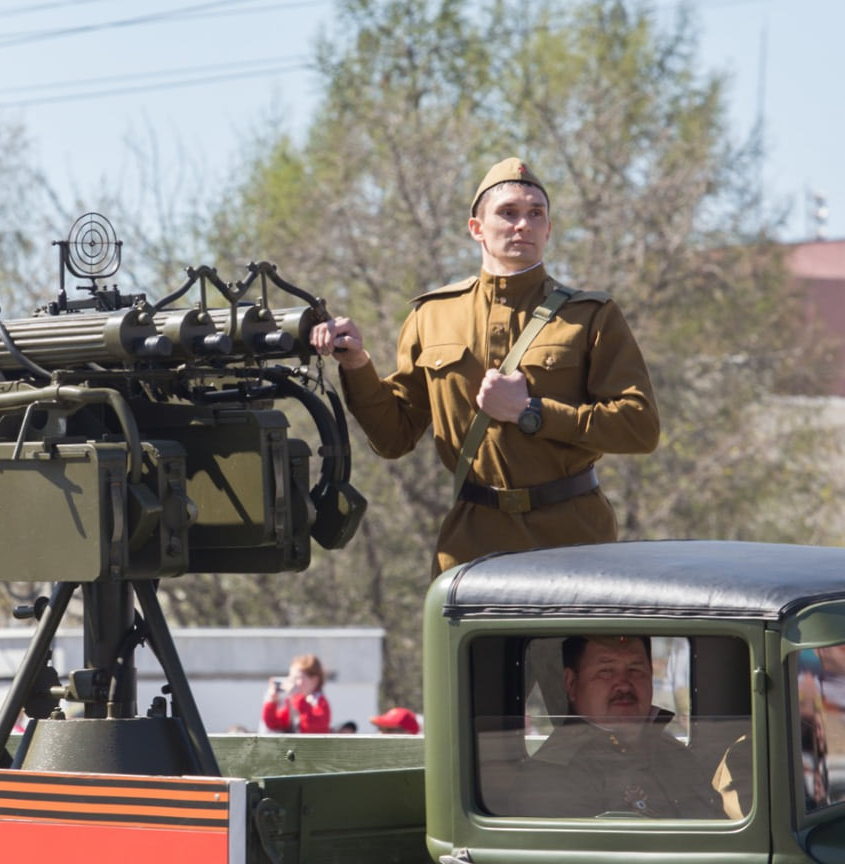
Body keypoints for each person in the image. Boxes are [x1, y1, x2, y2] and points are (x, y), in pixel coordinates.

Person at [310, 157, 659, 575]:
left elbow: (640, 426)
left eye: (535, 214)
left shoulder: (592, 315)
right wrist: (357, 364)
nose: (522, 225)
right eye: (508, 213)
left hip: (574, 534)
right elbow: (393, 437)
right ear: (476, 228)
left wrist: (531, 412)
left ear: (549, 229)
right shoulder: (432, 316)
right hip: (472, 540)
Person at [512, 636, 724, 818]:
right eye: (606, 671)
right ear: (572, 684)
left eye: (635, 670)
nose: (623, 684)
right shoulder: (553, 775)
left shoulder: (674, 753)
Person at [262, 654, 332, 733]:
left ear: (314, 680)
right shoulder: (294, 701)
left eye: (297, 678)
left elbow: (313, 728)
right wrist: (272, 702)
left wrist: (296, 696)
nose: (293, 682)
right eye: (291, 678)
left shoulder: (320, 702)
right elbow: (274, 724)